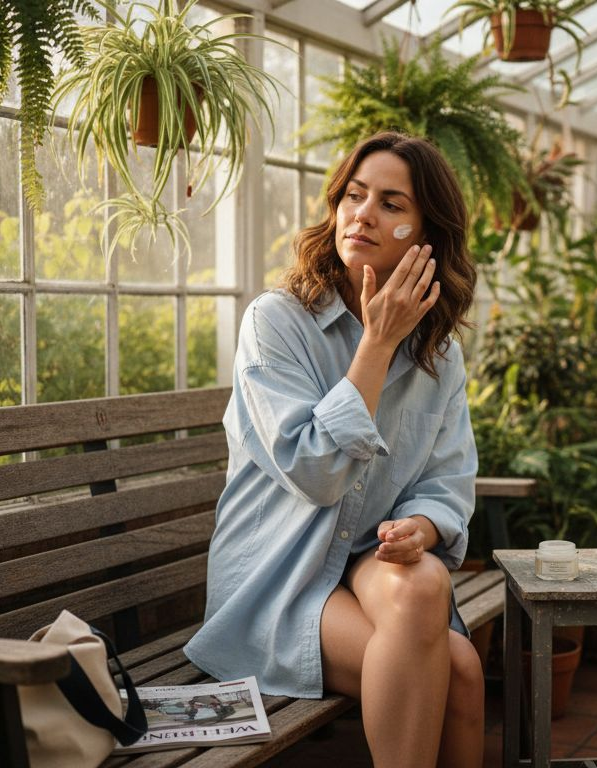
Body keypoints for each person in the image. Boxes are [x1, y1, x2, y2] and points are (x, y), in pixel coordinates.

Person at [183, 131, 483, 767]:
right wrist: (375, 346)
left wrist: (422, 529)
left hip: (368, 558)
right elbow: (315, 472)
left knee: (423, 579)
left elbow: (447, 477)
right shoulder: (277, 322)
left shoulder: (439, 351)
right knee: (457, 665)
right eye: (354, 195)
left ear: (427, 234)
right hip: (277, 579)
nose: (364, 213)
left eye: (392, 204)